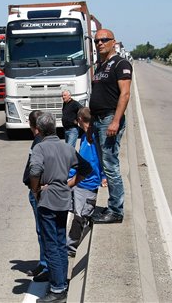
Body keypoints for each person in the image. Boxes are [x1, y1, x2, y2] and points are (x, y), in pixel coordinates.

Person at [29, 112, 92, 303]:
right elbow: (86, 168)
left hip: (48, 201)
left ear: (38, 130)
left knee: (51, 246)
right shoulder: (66, 147)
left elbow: (34, 170)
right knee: (59, 242)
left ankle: (57, 290)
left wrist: (36, 190)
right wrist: (69, 184)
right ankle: (61, 283)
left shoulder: (40, 148)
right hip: (63, 200)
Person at [89, 29, 133, 224]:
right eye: (97, 40)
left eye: (104, 40)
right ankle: (112, 206)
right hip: (98, 119)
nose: (100, 43)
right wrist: (90, 123)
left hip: (109, 119)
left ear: (113, 42)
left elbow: (124, 94)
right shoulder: (99, 66)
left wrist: (116, 120)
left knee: (110, 165)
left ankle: (116, 210)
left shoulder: (121, 64)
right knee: (105, 165)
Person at [67, 107, 107, 257]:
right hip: (84, 182)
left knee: (80, 216)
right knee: (79, 213)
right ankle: (71, 246)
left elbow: (87, 162)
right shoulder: (89, 136)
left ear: (80, 121)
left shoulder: (91, 138)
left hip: (87, 183)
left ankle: (70, 248)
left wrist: (102, 176)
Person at [22, 110, 47, 282]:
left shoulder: (39, 142)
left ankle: (46, 266)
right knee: (42, 230)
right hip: (37, 190)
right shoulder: (40, 140)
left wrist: (35, 190)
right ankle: (43, 262)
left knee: (43, 230)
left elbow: (35, 169)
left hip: (38, 192)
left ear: (34, 126)